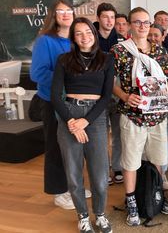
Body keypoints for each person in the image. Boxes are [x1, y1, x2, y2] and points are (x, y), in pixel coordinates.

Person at [110, 7, 168, 226]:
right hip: (132, 115)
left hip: (156, 116)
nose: (142, 26)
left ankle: (157, 194)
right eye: (137, 22)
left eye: (146, 22)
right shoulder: (118, 51)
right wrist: (126, 97)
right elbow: (111, 83)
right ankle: (132, 203)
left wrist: (162, 93)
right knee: (131, 161)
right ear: (129, 24)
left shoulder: (160, 51)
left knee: (158, 159)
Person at [51, 17, 114, 233]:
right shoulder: (64, 59)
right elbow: (55, 96)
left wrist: (85, 121)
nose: (84, 36)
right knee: (73, 173)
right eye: (78, 33)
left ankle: (101, 214)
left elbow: (106, 97)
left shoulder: (106, 59)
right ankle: (83, 216)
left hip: (95, 117)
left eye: (88, 32)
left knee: (99, 174)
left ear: (94, 34)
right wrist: (71, 122)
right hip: (69, 114)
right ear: (73, 37)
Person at [30, 0, 85, 210]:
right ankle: (58, 191)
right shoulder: (45, 40)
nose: (65, 14)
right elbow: (38, 73)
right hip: (52, 101)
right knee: (55, 148)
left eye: (69, 11)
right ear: (53, 16)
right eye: (60, 11)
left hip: (75, 102)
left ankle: (74, 187)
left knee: (74, 146)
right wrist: (67, 78)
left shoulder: (75, 39)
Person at [93, 2, 123, 186]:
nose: (109, 21)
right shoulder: (91, 38)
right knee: (100, 135)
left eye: (112, 17)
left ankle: (117, 167)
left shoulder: (121, 40)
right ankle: (103, 169)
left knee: (119, 133)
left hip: (118, 93)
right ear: (98, 18)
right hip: (97, 94)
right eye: (105, 17)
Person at [148, 22, 168, 190]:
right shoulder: (136, 51)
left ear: (163, 36)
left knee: (160, 144)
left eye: (156, 35)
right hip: (140, 107)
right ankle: (148, 181)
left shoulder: (163, 54)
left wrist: (156, 95)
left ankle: (161, 176)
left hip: (159, 105)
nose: (152, 38)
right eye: (150, 35)